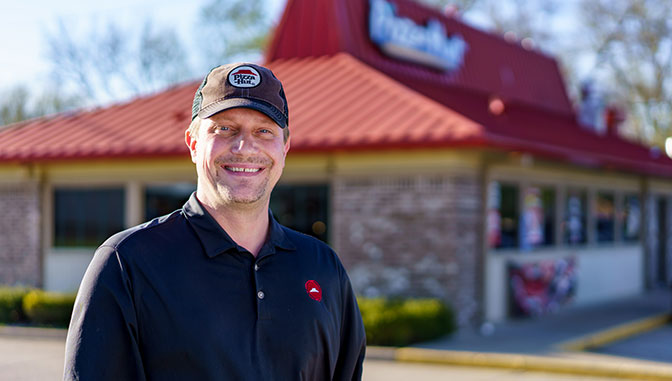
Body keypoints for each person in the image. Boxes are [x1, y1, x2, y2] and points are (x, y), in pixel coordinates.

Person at [64, 63, 366, 380]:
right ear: (193, 143)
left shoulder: (323, 267)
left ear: (285, 147)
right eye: (224, 129)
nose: (244, 147)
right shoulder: (128, 264)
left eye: (264, 131)